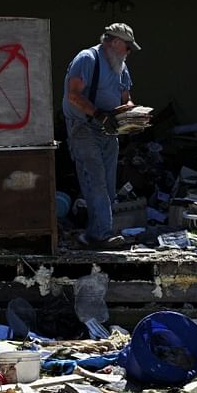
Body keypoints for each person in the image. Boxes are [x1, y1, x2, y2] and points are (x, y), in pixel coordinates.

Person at [62, 23, 140, 250]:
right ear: (114, 43)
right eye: (127, 47)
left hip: (109, 131)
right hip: (84, 128)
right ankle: (101, 234)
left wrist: (133, 116)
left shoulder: (121, 68)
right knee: (95, 181)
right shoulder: (87, 59)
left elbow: (126, 99)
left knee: (107, 184)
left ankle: (95, 235)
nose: (128, 52)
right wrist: (98, 115)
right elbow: (73, 96)